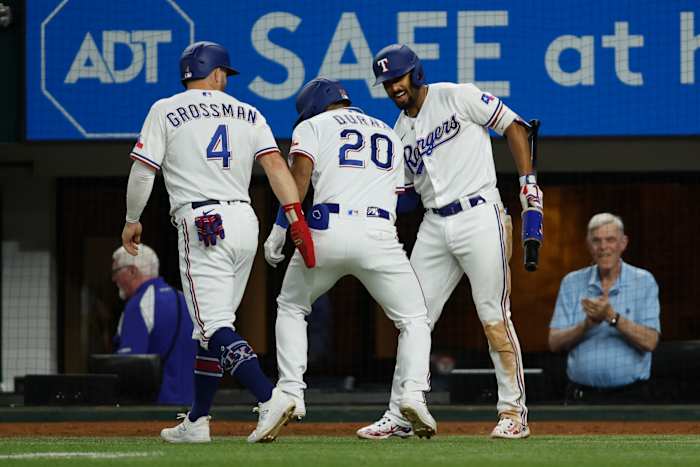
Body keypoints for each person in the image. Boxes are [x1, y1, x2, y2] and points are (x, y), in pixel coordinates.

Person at [120, 41, 316, 444]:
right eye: (223, 72)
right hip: (245, 220)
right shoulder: (249, 112)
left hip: (203, 222)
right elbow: (276, 165)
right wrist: (294, 213)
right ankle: (198, 420)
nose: (225, 79)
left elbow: (143, 173)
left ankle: (269, 397)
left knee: (214, 325)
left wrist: (132, 220)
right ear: (212, 72)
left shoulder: (166, 108)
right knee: (210, 328)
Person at [360, 44, 538, 439]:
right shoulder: (398, 131)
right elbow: (402, 194)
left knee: (494, 315)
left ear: (415, 73)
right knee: (414, 318)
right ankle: (400, 414)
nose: (394, 87)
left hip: (479, 212)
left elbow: (514, 125)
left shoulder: (458, 95)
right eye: (387, 83)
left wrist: (528, 186)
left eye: (399, 78)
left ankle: (513, 413)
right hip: (434, 224)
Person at [263, 78, 437, 439]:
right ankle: (414, 394)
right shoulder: (388, 133)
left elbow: (297, 185)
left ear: (312, 108)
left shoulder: (313, 125)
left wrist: (280, 229)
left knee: (292, 307)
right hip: (379, 233)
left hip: (328, 228)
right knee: (415, 320)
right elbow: (406, 200)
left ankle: (291, 392)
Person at [549, 213, 660, 403]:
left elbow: (650, 341)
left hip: (631, 398)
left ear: (623, 243)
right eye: (596, 241)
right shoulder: (571, 283)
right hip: (581, 397)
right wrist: (587, 325)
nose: (603, 247)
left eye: (610, 240)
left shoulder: (644, 281)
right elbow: (554, 342)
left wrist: (612, 317)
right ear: (588, 244)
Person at [111, 244, 196, 405]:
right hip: (192, 408)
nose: (113, 279)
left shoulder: (138, 305)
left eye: (116, 272)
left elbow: (129, 366)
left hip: (154, 412)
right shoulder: (185, 300)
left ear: (132, 271)